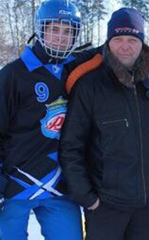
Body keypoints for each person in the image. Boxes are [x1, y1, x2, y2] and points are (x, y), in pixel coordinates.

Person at [59, 7, 149, 240]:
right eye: (118, 39)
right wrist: (88, 198)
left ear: (142, 42)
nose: (125, 46)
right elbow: (71, 145)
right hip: (106, 206)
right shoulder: (90, 85)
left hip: (148, 207)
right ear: (108, 41)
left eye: (132, 39)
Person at [0, 0, 85, 239]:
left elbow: (113, 51)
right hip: (15, 186)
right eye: (54, 29)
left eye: (69, 31)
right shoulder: (13, 74)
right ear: (41, 29)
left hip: (60, 187)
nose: (61, 37)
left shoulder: (77, 71)